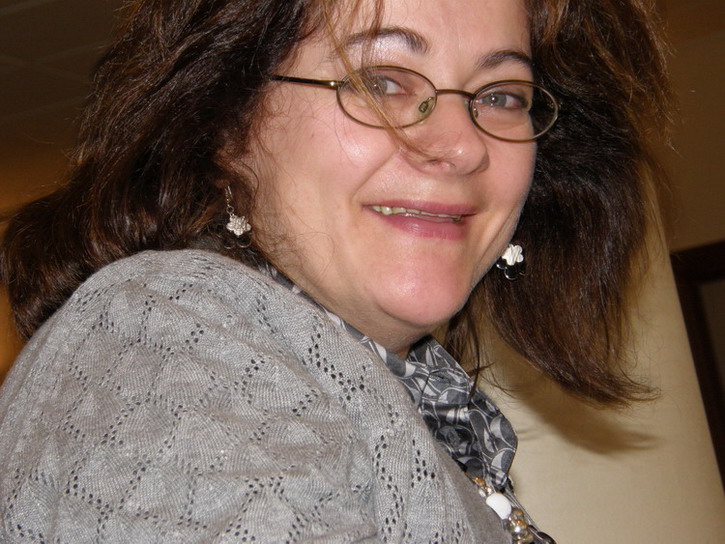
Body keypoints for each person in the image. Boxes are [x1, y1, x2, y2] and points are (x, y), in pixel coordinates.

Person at [0, 0, 671, 542]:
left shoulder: (362, 389)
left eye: (500, 95)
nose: (463, 145)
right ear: (225, 126)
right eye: (381, 82)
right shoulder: (173, 345)